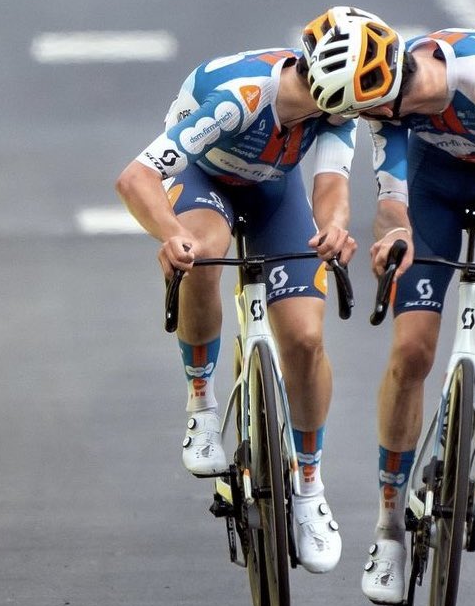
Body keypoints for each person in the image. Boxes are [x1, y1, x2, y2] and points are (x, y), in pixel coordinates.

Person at [299, 6, 475, 604]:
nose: (364, 122)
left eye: (366, 111)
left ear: (389, 90)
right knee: (410, 353)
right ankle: (387, 528)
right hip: (433, 188)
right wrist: (394, 235)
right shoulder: (387, 112)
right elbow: (392, 200)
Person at [116, 41, 358, 573]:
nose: (361, 113)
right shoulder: (239, 101)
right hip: (203, 182)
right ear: (325, 88)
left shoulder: (340, 103)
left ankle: (310, 485)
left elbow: (331, 184)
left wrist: (335, 227)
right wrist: (172, 234)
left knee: (305, 339)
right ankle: (201, 402)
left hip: (273, 191)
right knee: (204, 253)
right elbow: (136, 178)